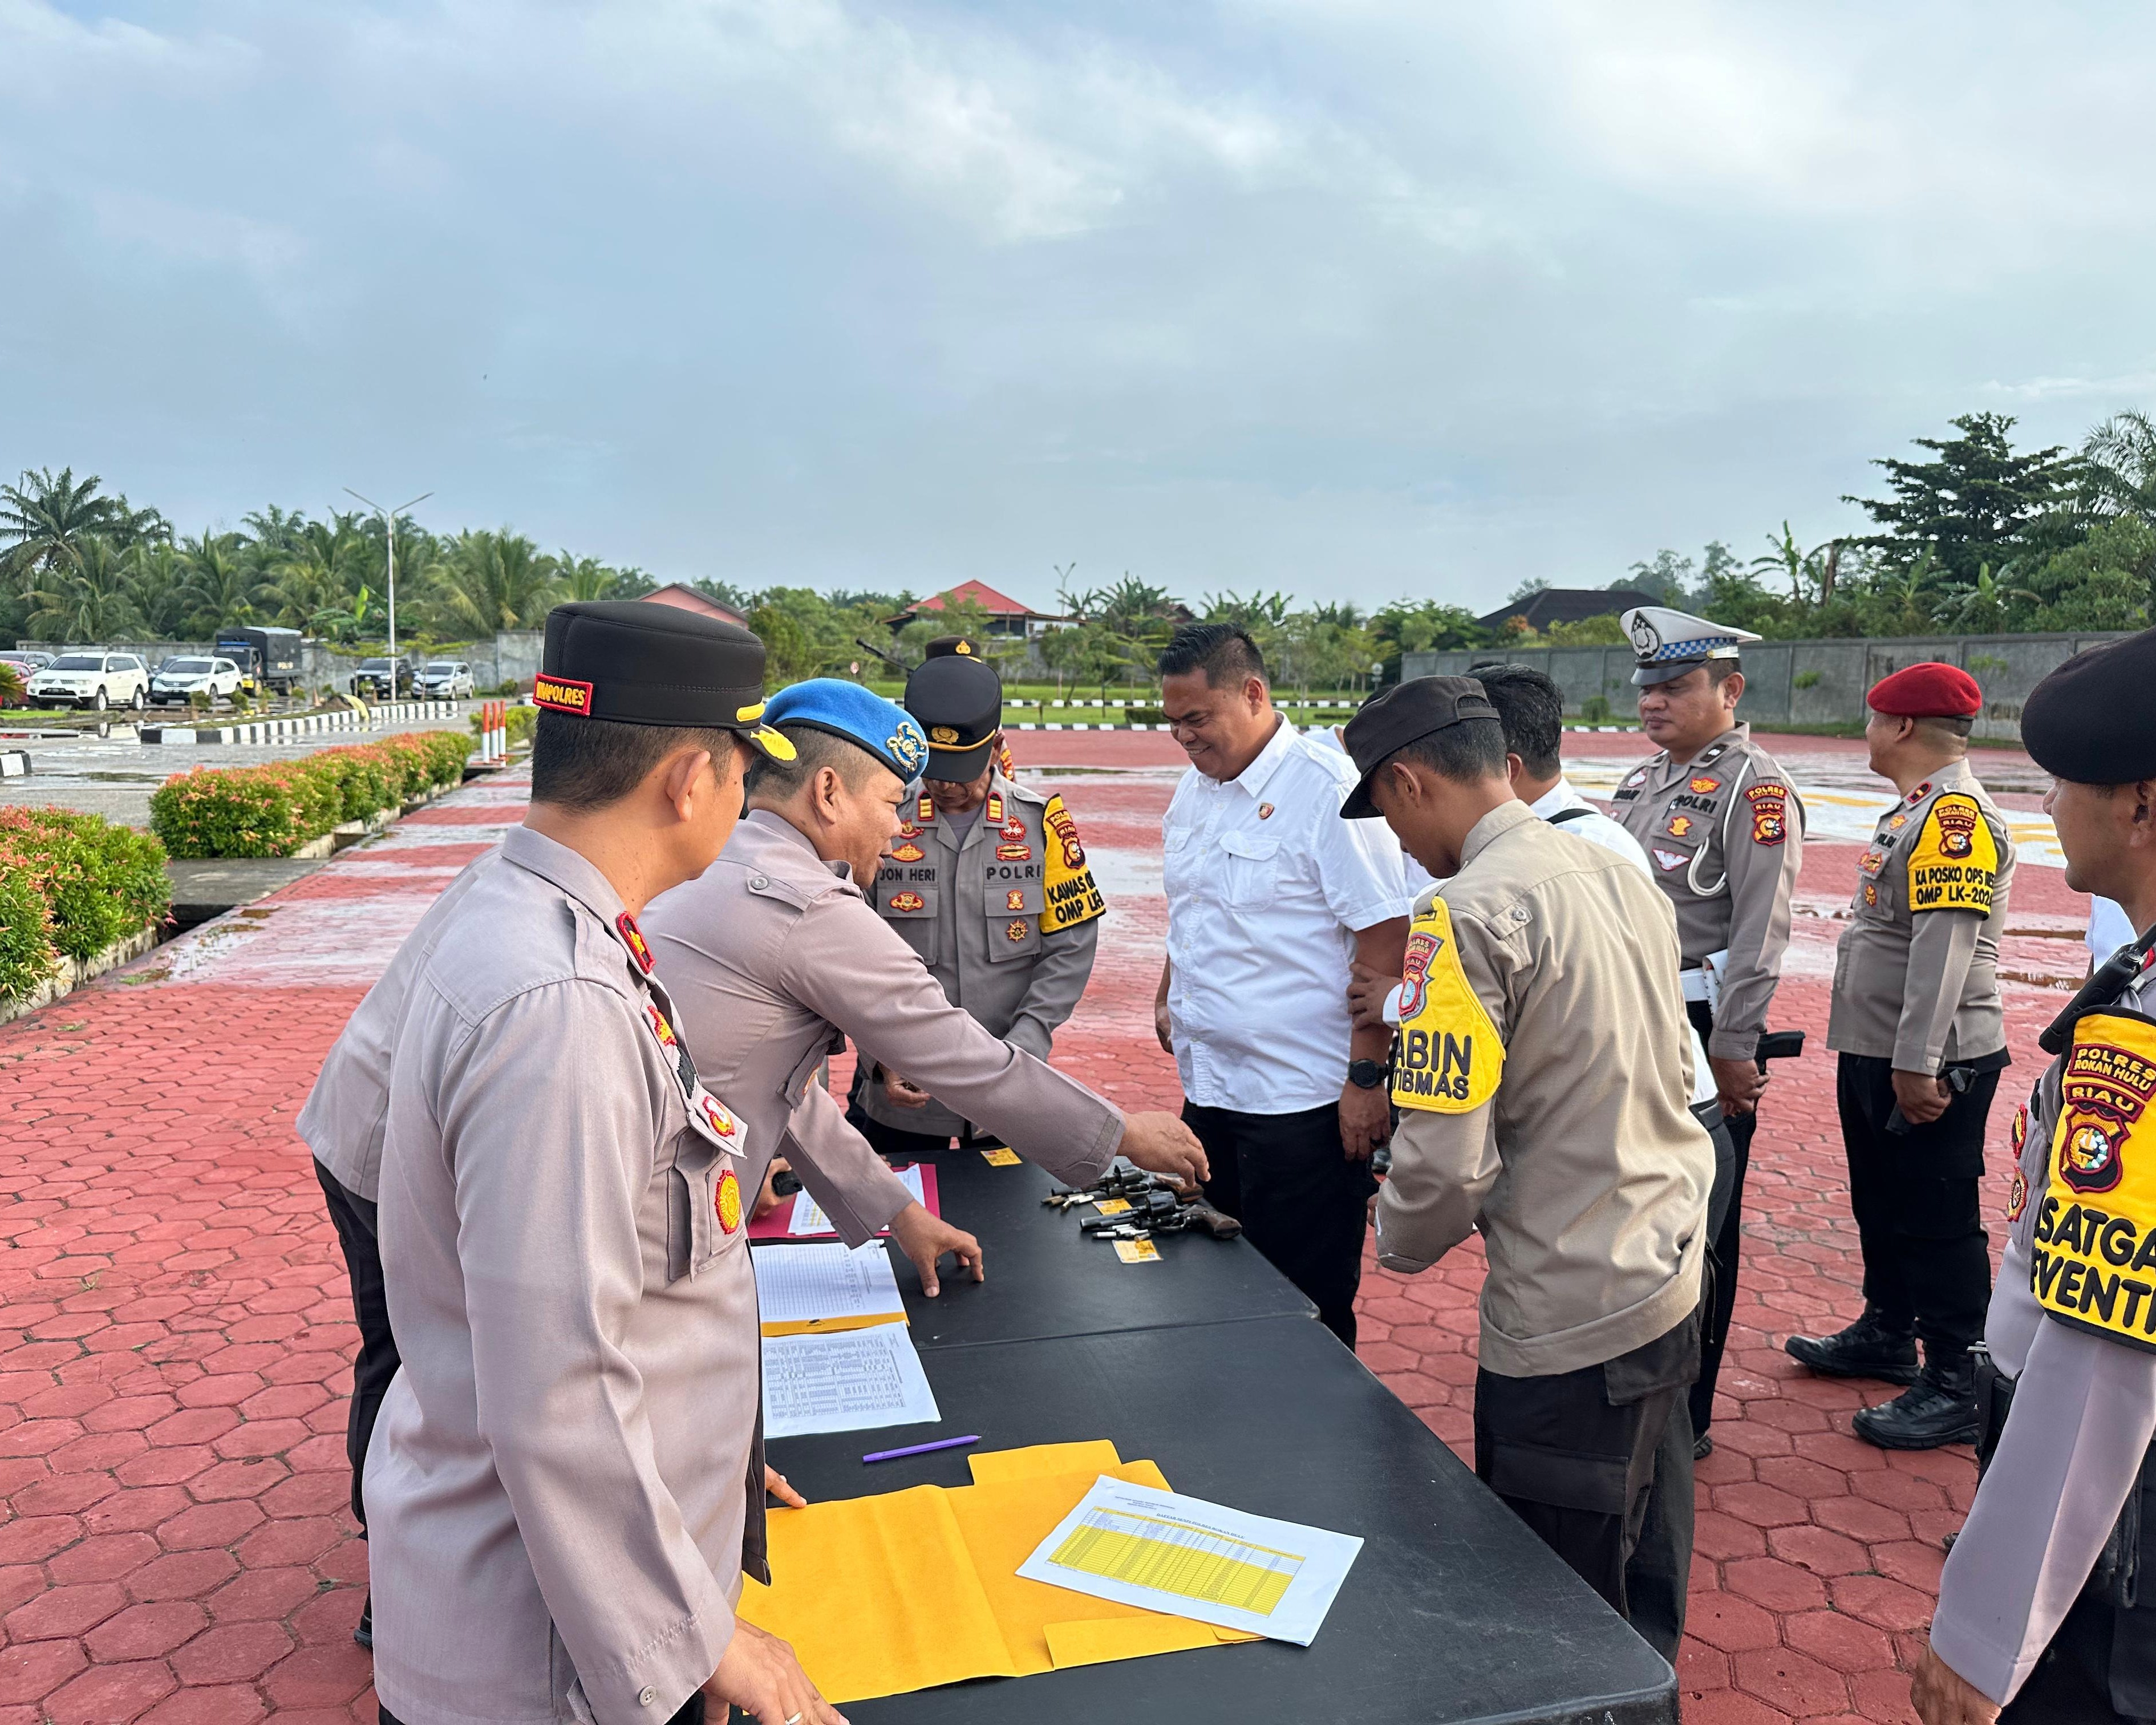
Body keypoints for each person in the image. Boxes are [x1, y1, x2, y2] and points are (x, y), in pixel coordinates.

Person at [360, 601, 842, 1725]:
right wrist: (695, 1638)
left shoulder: (540, 919)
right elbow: (557, 1387)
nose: (745, 798)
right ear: (687, 782)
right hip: (550, 1661)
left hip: (568, 1596)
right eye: (740, 772)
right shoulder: (559, 1006)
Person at [1342, 676, 1714, 1661]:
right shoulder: (1615, 868)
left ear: (1410, 784)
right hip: (1667, 1262)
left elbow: (1447, 1159)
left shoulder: (1460, 915)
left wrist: (1396, 1241)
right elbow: (1683, 1067)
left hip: (1567, 1312)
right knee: (1648, 1566)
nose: (1396, 840)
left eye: (1383, 811)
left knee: (1553, 1607)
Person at [643, 678, 1207, 1243]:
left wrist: (897, 1213)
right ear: (828, 791)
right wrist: (1123, 1134)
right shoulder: (810, 905)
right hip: (667, 1221)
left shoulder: (719, 862)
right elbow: (954, 1055)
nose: (899, 826)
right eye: (892, 803)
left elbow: (781, 1088)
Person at [1915, 627, 2156, 1724]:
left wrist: (1986, 1627)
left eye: (2063, 782)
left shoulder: (2142, 1036)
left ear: (2140, 806)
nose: (2048, 805)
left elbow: (2102, 1347)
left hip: (2112, 1541)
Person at [1153, 622, 1412, 1346]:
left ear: (1255, 694)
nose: (1184, 738)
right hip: (1211, 1091)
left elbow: (1385, 938)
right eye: (1172, 723)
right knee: (1213, 1286)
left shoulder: (1329, 791)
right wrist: (1170, 987)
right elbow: (1195, 901)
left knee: (1305, 1309)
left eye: (1197, 719)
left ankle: (1321, 1454)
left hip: (1302, 1104)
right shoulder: (1194, 787)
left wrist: (1367, 1076)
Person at [1787, 664, 2015, 1449]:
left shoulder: (1955, 819)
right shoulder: (1914, 810)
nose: (1867, 733)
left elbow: (1945, 951)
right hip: (1881, 1049)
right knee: (1881, 1202)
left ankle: (1957, 1379)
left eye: (1875, 720)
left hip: (1933, 1058)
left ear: (1905, 727)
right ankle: (1888, 1332)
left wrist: (1917, 1062)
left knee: (1937, 1218)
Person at [1611, 606, 1804, 1449]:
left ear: (1730, 689)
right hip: (1637, 1013)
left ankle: (1685, 1413)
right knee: (1638, 1202)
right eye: (1647, 686)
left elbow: (1763, 931)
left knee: (1705, 1221)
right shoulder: (1642, 781)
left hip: (1702, 1021)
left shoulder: (1753, 789)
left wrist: (1734, 1047)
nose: (1654, 701)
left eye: (1676, 685)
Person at [849, 646, 1104, 1156]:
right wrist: (878, 1054)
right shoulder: (878, 821)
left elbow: (1070, 948)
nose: (943, 783)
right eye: (932, 766)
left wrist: (1028, 1043)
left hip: (1008, 1087)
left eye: (958, 768)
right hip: (899, 1093)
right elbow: (847, 950)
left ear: (996, 748)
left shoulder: (1041, 825)